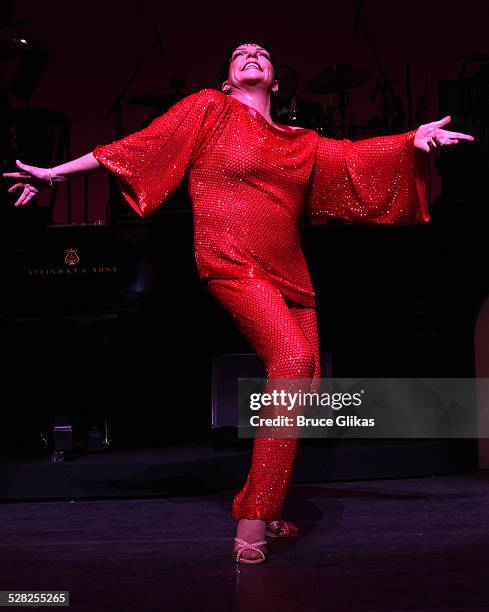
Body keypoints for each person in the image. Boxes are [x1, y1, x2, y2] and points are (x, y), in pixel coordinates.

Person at [2, 39, 474, 565]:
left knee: (303, 384)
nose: (251, 54)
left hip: (292, 272)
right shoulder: (211, 109)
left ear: (275, 82)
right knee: (291, 361)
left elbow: (352, 158)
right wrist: (53, 174)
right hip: (229, 259)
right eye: (239, 54)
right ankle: (253, 518)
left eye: (263, 55)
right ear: (228, 80)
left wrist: (411, 141)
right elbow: (140, 145)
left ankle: (267, 505)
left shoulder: (302, 141)